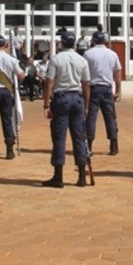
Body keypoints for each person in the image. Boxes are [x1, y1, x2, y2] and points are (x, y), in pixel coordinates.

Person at [41, 31, 91, 188]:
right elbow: (86, 84)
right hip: (77, 98)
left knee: (59, 137)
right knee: (79, 137)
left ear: (61, 43)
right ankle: (82, 175)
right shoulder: (81, 60)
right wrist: (86, 105)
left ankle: (58, 175)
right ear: (74, 44)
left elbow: (49, 82)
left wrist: (46, 104)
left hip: (61, 98)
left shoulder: (56, 59)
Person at [0, 35, 25, 161]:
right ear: (5, 45)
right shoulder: (11, 59)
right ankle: (9, 149)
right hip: (7, 92)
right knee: (7, 120)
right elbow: (21, 75)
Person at [83, 30, 122, 156]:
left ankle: (89, 146)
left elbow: (84, 73)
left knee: (91, 117)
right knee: (110, 117)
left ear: (93, 40)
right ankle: (114, 145)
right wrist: (118, 90)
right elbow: (117, 73)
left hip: (93, 88)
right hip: (107, 88)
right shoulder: (112, 54)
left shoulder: (88, 54)